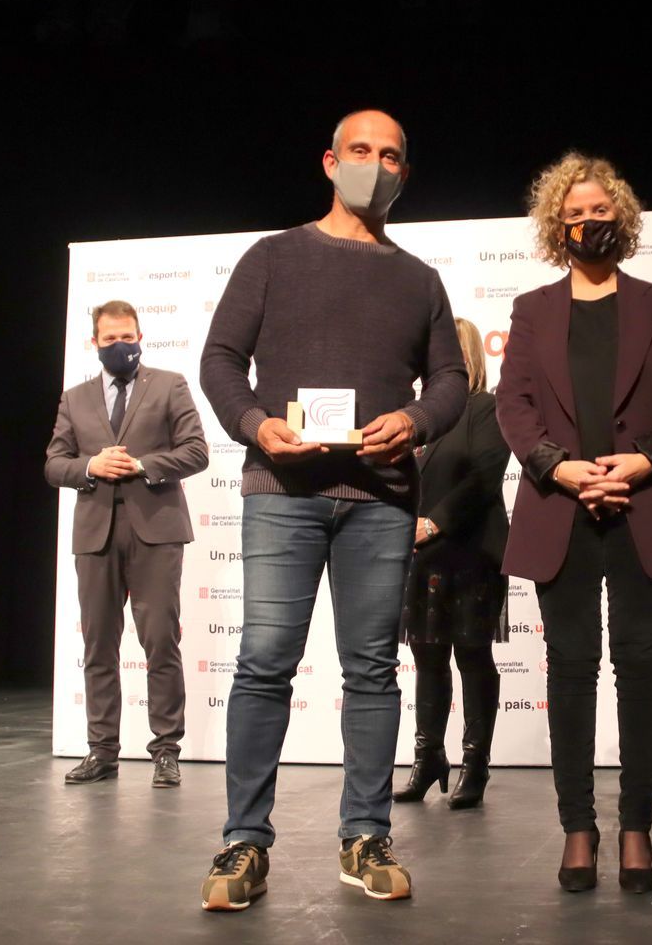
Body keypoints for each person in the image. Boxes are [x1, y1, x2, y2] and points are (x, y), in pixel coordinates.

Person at [197, 109, 468, 910]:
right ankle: (244, 843)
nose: (373, 166)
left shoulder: (419, 279)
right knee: (264, 661)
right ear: (328, 161)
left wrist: (415, 421)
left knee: (372, 669)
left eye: (390, 156)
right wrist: (255, 425)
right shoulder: (273, 257)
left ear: (403, 174)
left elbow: (451, 381)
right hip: (282, 493)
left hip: (380, 501)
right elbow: (220, 361)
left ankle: (365, 836)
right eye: (360, 151)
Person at [496, 153, 652, 893]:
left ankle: (636, 825)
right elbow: (514, 403)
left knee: (641, 664)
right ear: (558, 226)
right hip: (561, 509)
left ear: (622, 216)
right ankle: (578, 828)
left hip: (646, 505)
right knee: (572, 666)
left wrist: (642, 462)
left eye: (600, 210)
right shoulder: (533, 309)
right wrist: (560, 468)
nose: (589, 222)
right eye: (575, 214)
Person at [44, 299, 209, 789]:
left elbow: (196, 451)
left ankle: (166, 751)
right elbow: (54, 463)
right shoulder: (75, 398)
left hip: (156, 532)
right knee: (98, 646)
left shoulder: (170, 384)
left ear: (141, 337)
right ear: (94, 343)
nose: (121, 346)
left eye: (128, 337)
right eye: (111, 339)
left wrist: (143, 465)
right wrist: (89, 466)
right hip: (95, 536)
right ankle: (102, 751)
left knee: (160, 641)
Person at [394, 318, 510, 810]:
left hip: (472, 554)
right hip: (423, 560)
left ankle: (475, 764)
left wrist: (433, 523)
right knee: (427, 658)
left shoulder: (488, 407)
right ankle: (428, 759)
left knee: (472, 656)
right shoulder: (420, 418)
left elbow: (484, 476)